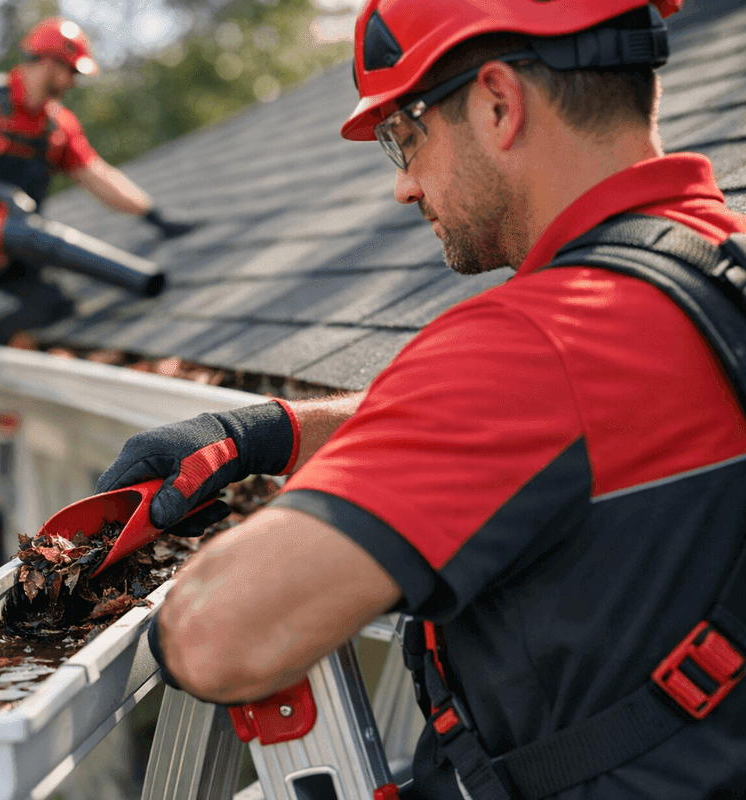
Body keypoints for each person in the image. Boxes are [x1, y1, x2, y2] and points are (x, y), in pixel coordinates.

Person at [96, 0, 746, 797]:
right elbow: (569, 423)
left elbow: (215, 638)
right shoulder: (715, 271)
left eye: (404, 136)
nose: (404, 185)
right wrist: (269, 432)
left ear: (498, 104)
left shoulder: (530, 348)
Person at [0, 17, 197, 485]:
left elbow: (96, 174)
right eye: (69, 72)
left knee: (54, 305)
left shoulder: (57, 126)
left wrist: (152, 213)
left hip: (9, 248)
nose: (71, 83)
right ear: (48, 63)